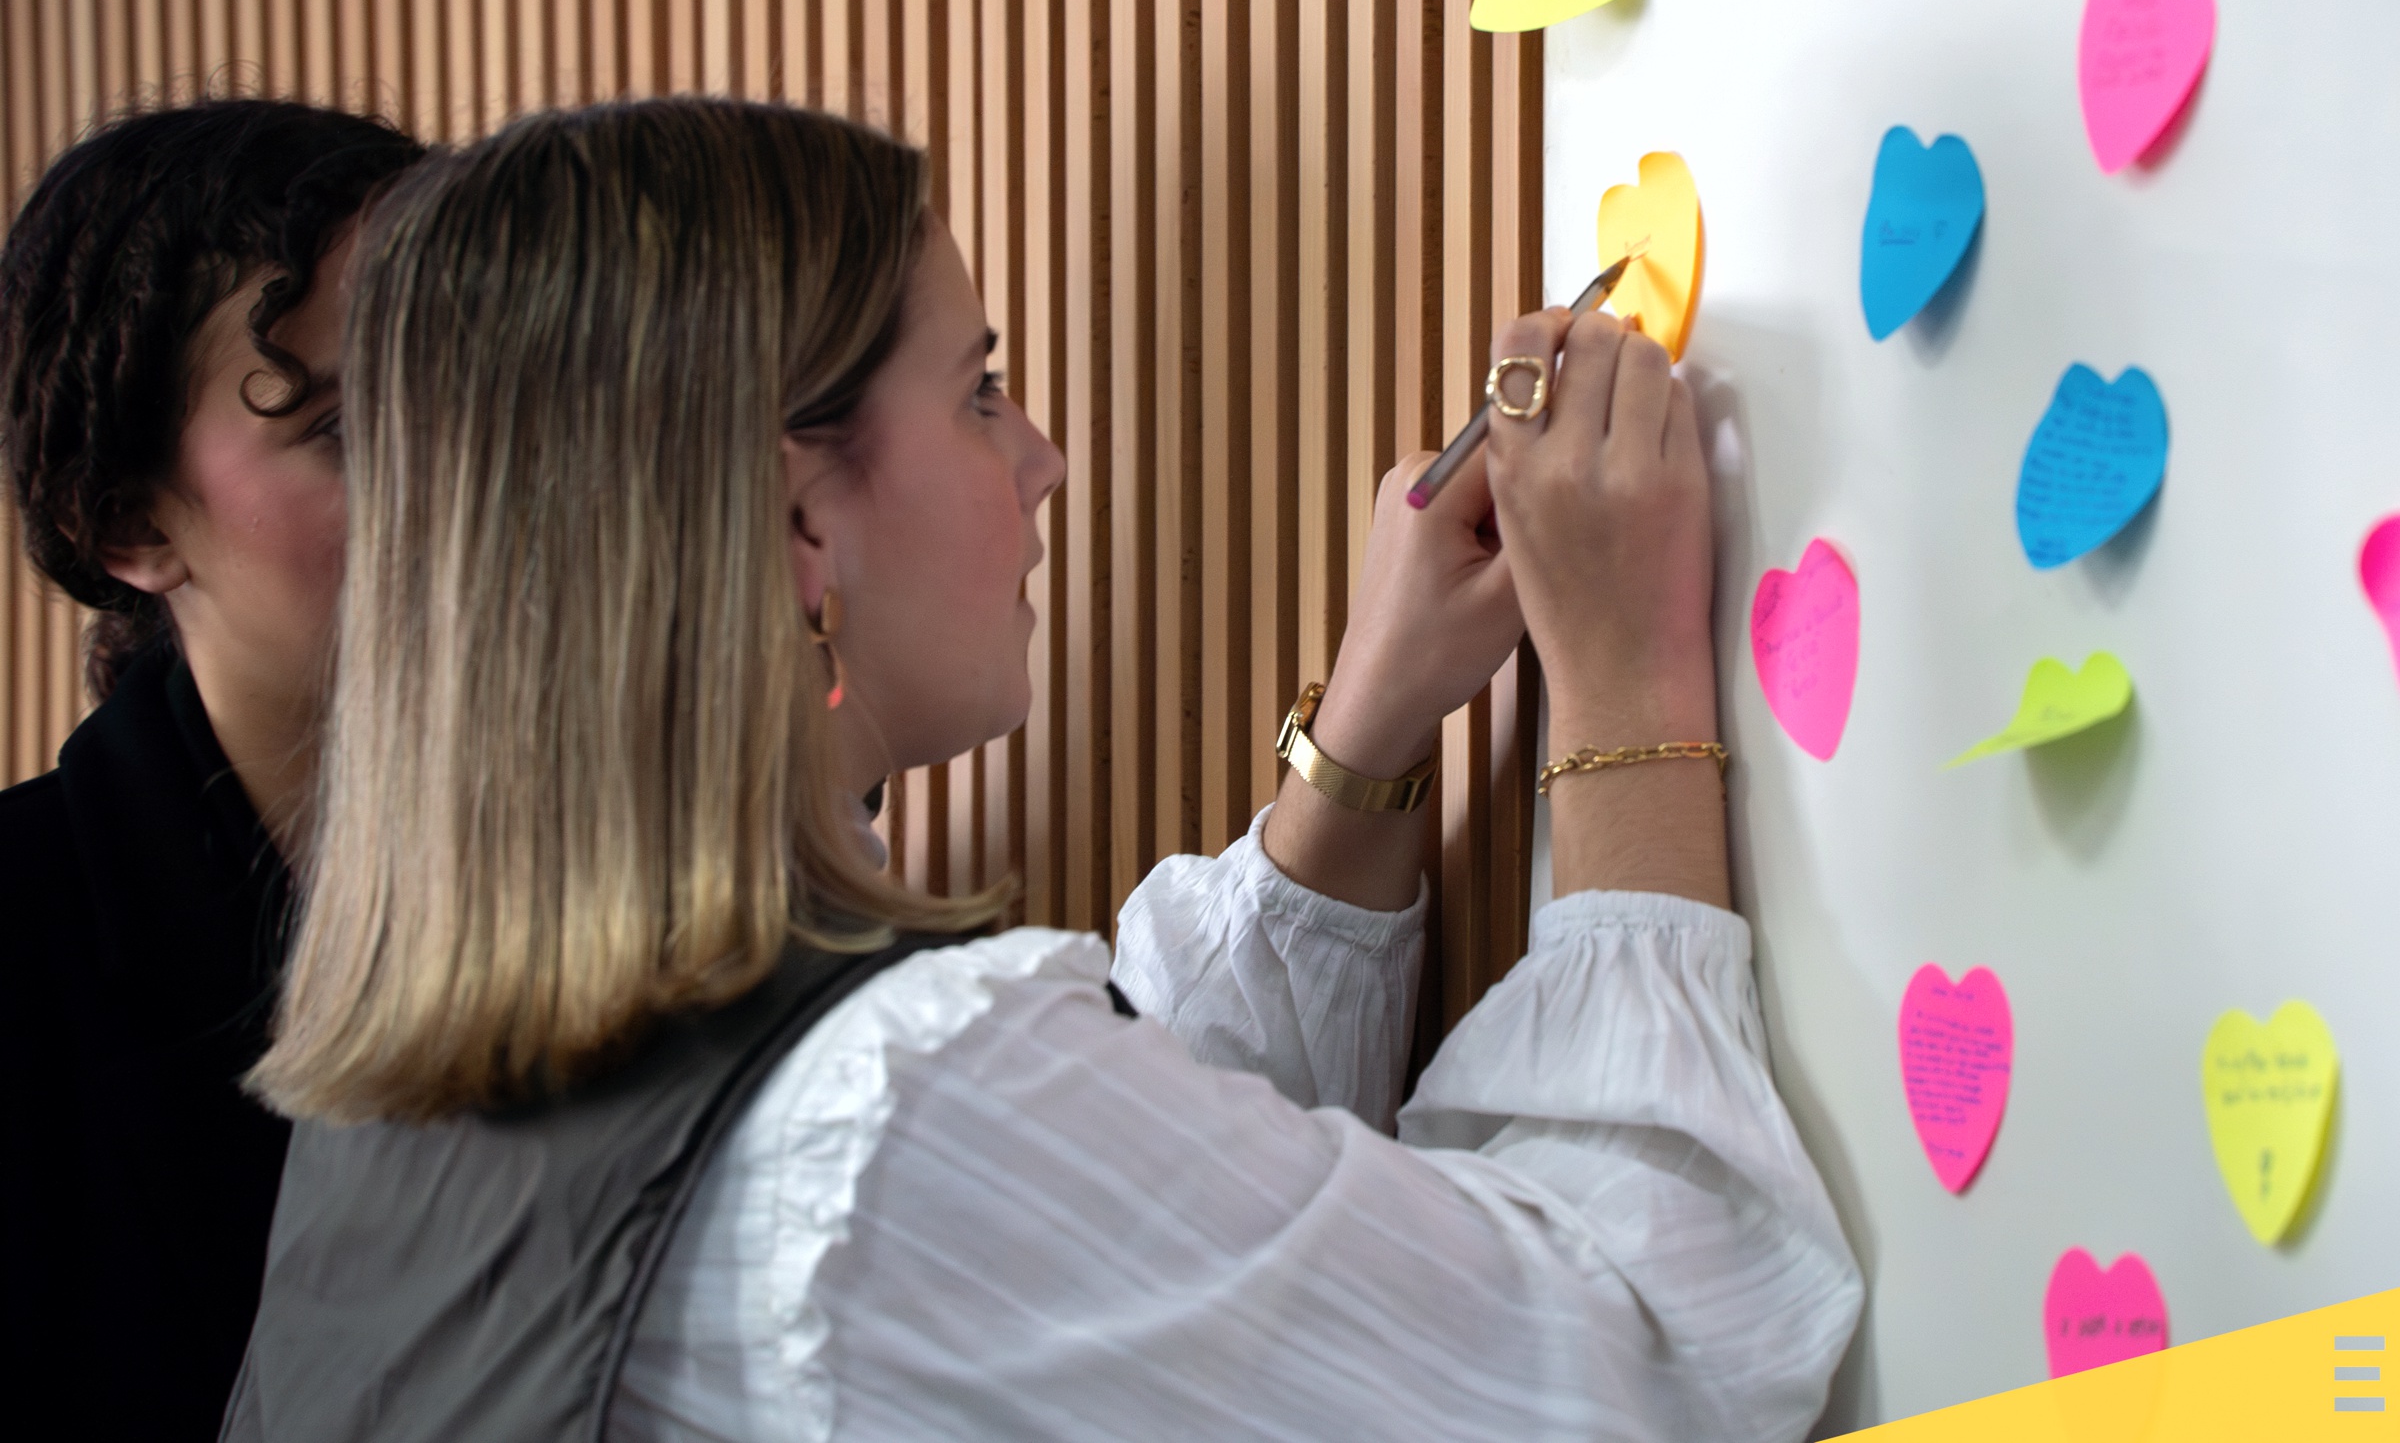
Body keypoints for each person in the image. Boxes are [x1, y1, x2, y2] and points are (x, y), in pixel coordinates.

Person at [228, 99, 1862, 1442]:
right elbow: (1645, 1364)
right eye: (980, 390)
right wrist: (1629, 684)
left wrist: (1361, 735)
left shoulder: (422, 1076)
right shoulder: (882, 1134)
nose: (1043, 457)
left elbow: (1136, 1173)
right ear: (801, 520)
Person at [0, 99, 428, 1441]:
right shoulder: (22, 942)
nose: (462, 481)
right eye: (351, 431)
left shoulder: (602, 877)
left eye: (472, 403)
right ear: (127, 523)